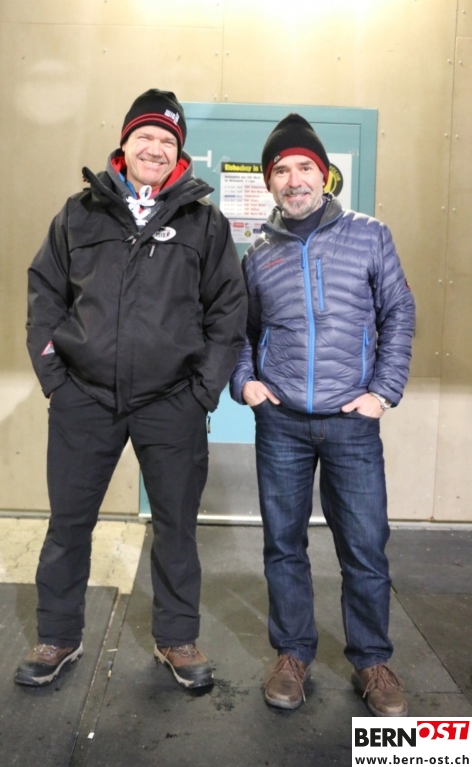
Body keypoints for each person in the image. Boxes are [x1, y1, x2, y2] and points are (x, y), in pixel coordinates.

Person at [16, 89, 247, 690]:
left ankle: (177, 638)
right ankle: (58, 635)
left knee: (176, 528)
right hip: (84, 398)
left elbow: (229, 311)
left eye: (168, 141)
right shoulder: (78, 214)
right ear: (124, 143)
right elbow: (44, 296)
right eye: (145, 136)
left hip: (172, 402)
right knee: (69, 525)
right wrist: (56, 380)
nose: (155, 148)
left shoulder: (204, 222)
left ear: (179, 155)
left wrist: (202, 391)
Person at [230, 113, 416, 717]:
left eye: (304, 167)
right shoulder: (258, 252)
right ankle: (292, 654)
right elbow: (241, 330)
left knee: (364, 545)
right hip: (281, 422)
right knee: (283, 544)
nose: (294, 180)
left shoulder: (370, 236)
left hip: (351, 421)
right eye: (281, 170)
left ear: (325, 174)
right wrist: (245, 383)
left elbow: (399, 312)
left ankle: (371, 660)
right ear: (269, 181)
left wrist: (383, 392)